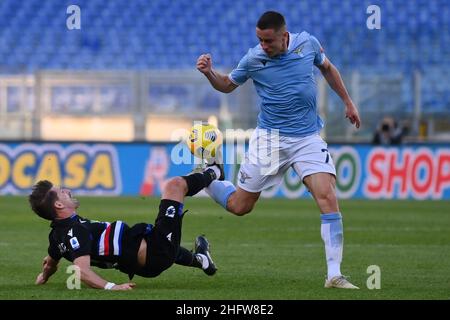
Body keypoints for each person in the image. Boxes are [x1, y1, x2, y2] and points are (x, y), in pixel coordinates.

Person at [197, 11, 361, 289]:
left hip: (307, 138)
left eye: (268, 40)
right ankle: (210, 178)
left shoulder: (307, 43)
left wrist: (348, 101)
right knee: (240, 206)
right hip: (270, 140)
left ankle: (334, 274)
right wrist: (209, 72)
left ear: (284, 36)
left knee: (327, 196)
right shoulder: (253, 59)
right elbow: (227, 85)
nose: (263, 45)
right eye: (259, 40)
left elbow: (329, 69)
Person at [29, 168, 221, 290]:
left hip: (146, 256)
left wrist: (43, 278)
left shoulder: (56, 235)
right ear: (59, 206)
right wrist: (112, 287)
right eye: (62, 192)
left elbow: (49, 263)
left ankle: (201, 259)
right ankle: (214, 172)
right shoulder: (75, 231)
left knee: (149, 239)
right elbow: (82, 271)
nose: (67, 191)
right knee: (175, 185)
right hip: (156, 252)